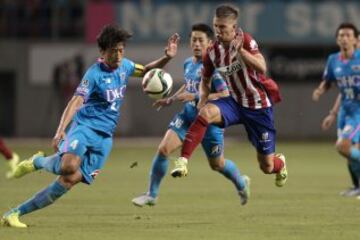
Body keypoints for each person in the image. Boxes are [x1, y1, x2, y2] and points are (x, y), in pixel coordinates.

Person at [1, 24, 179, 228]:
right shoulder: (93, 74)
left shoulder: (126, 66)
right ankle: (38, 162)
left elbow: (147, 70)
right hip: (84, 128)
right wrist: (60, 131)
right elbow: (75, 102)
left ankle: (14, 214)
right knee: (68, 166)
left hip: (104, 138)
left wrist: (168, 57)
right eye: (113, 51)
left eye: (121, 50)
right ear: (102, 52)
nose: (119, 55)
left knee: (69, 180)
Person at [132, 23, 250, 208]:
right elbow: (189, 84)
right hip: (187, 117)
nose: (196, 44)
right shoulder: (189, 62)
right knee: (163, 150)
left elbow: (224, 94)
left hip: (209, 123)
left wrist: (195, 97)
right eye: (193, 39)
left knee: (217, 165)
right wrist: (171, 99)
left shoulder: (214, 68)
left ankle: (242, 183)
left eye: (200, 40)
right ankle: (152, 195)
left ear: (210, 43)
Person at [169, 4, 287, 188]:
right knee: (205, 113)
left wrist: (241, 52)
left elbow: (262, 67)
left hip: (258, 107)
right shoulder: (213, 52)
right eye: (216, 26)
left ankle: (280, 164)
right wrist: (202, 99)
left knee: (267, 166)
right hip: (234, 102)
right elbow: (205, 80)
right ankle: (183, 161)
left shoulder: (246, 41)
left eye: (222, 27)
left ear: (233, 27)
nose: (218, 31)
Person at [313, 24, 360, 197]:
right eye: (341, 35)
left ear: (355, 39)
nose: (344, 38)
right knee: (349, 154)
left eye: (348, 35)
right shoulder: (333, 60)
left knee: (343, 147)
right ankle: (357, 187)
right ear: (337, 39)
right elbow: (330, 83)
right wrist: (331, 112)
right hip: (344, 113)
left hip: (358, 113)